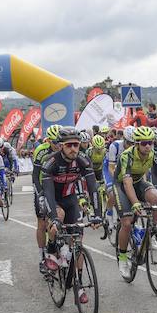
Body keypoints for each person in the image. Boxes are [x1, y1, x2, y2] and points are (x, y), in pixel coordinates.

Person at [38, 127, 101, 303]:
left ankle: (79, 283)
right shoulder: (50, 162)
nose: (74, 149)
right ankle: (51, 250)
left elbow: (93, 188)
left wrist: (97, 214)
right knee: (58, 216)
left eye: (77, 145)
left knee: (78, 240)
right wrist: (55, 219)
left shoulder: (83, 160)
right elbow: (49, 193)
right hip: (53, 199)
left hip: (70, 198)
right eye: (70, 145)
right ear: (60, 146)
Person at [113, 126, 157, 279]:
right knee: (127, 223)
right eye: (144, 143)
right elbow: (127, 183)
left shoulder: (153, 155)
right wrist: (135, 203)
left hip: (139, 182)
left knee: (156, 199)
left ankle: (152, 230)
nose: (148, 146)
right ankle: (122, 258)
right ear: (136, 144)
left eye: (150, 142)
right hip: (121, 185)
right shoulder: (126, 156)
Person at [31, 125, 62, 271]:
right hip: (43, 185)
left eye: (60, 141)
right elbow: (35, 176)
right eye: (56, 142)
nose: (59, 145)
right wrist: (40, 194)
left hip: (59, 185)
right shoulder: (41, 150)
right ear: (49, 141)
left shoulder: (65, 149)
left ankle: (56, 248)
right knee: (42, 223)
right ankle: (42, 256)